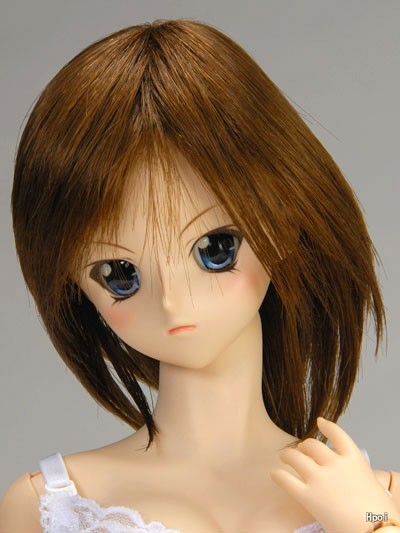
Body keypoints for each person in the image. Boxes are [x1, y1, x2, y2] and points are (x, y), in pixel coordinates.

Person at [0, 18, 399, 533]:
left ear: (280, 230)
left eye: (215, 250)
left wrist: (371, 522)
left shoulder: (381, 499)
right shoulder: (48, 507)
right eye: (120, 275)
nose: (172, 302)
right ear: (77, 289)